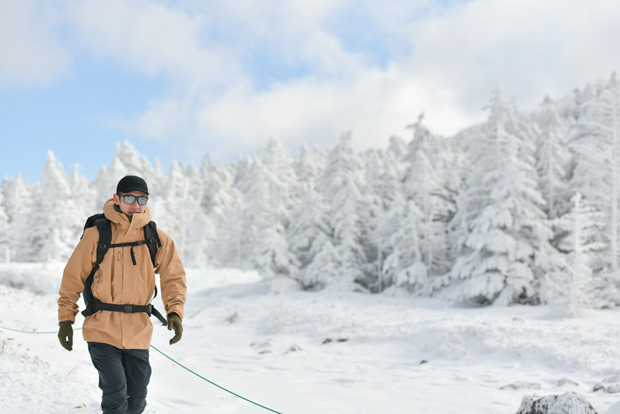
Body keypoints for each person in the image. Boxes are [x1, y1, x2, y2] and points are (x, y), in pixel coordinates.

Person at [57, 175, 187, 414]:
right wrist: (66, 320)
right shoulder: (97, 234)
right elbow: (72, 278)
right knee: (115, 394)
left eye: (142, 199)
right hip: (102, 327)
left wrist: (175, 312)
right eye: (129, 198)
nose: (136, 204)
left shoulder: (155, 237)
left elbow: (174, 277)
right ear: (117, 199)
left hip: (138, 331)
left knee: (137, 400)